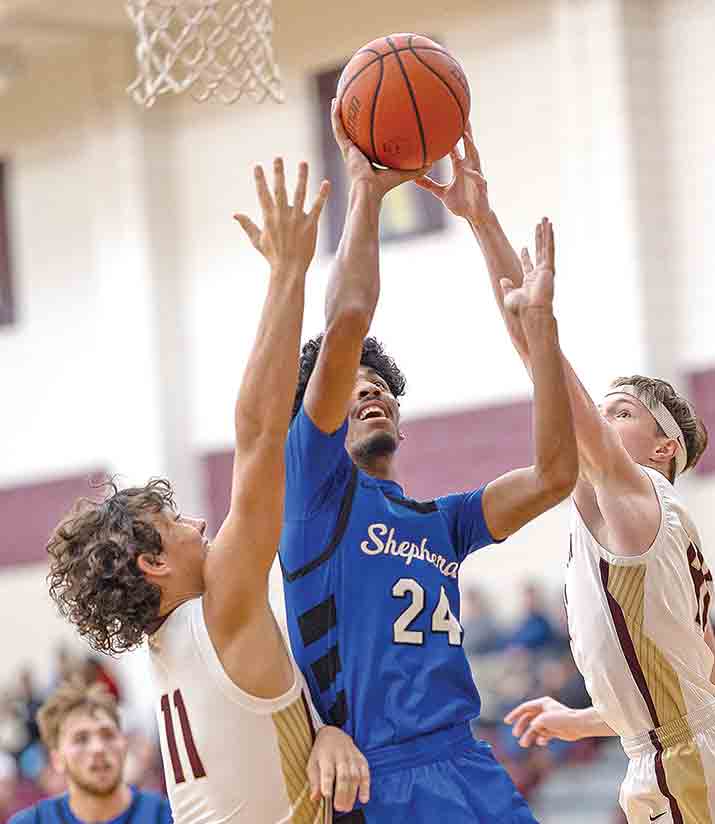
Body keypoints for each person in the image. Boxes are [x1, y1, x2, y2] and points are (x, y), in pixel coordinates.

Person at [414, 129, 715, 823]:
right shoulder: (620, 508)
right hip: (682, 751)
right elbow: (703, 678)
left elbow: (540, 361)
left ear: (663, 448)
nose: (601, 422)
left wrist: (490, 236)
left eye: (621, 413)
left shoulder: (639, 493)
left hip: (683, 761)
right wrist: (586, 719)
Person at [278, 100, 577, 822]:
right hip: (380, 778)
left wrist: (540, 332)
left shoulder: (440, 522)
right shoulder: (314, 493)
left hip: (468, 761)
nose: (370, 394)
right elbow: (348, 319)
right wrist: (368, 193)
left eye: (380, 389)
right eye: (352, 389)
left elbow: (555, 476)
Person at [46, 159, 371, 821]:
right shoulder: (222, 609)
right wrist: (288, 272)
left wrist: (324, 729)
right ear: (154, 562)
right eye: (175, 521)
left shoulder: (170, 650)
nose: (199, 523)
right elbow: (256, 434)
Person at [8, 681, 171, 824]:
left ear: (124, 744)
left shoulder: (168, 816)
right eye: (81, 739)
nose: (98, 748)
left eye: (108, 734)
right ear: (57, 759)